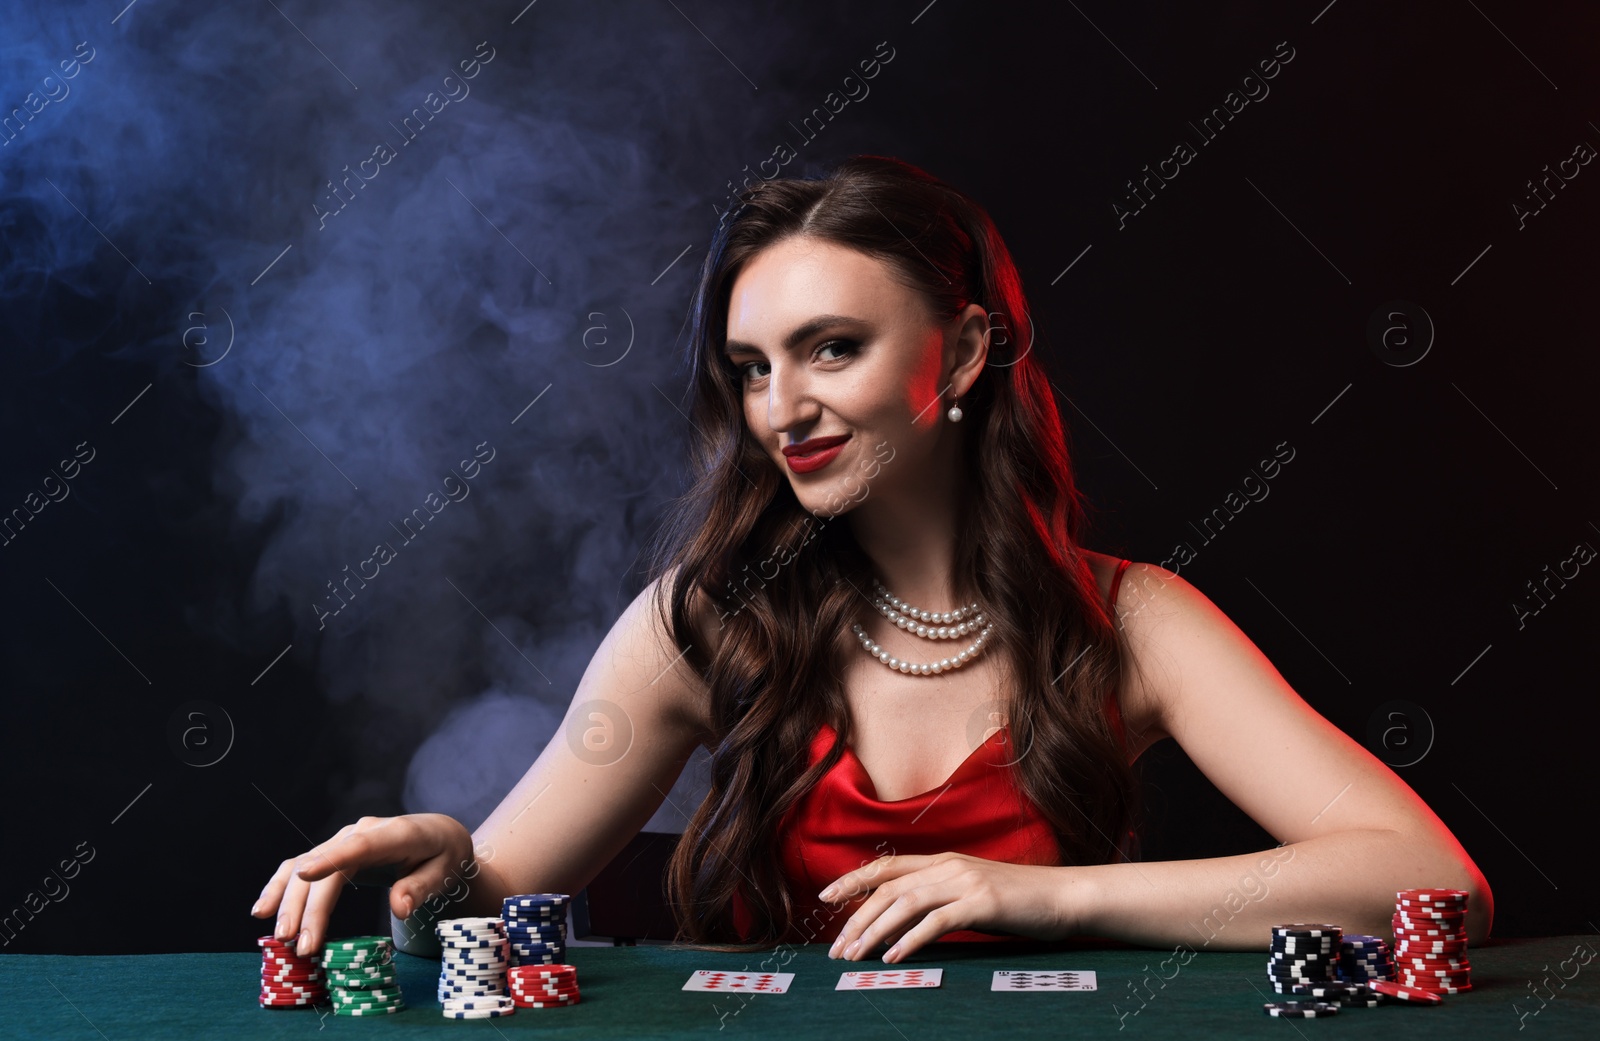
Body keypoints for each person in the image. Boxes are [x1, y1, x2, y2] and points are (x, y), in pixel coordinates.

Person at [252, 155, 1492, 966]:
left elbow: (1429, 879)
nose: (779, 405)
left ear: (959, 356)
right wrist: (439, 873)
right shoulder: (700, 622)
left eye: (830, 348)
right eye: (749, 367)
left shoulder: (1132, 619)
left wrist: (1033, 896)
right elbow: (490, 900)